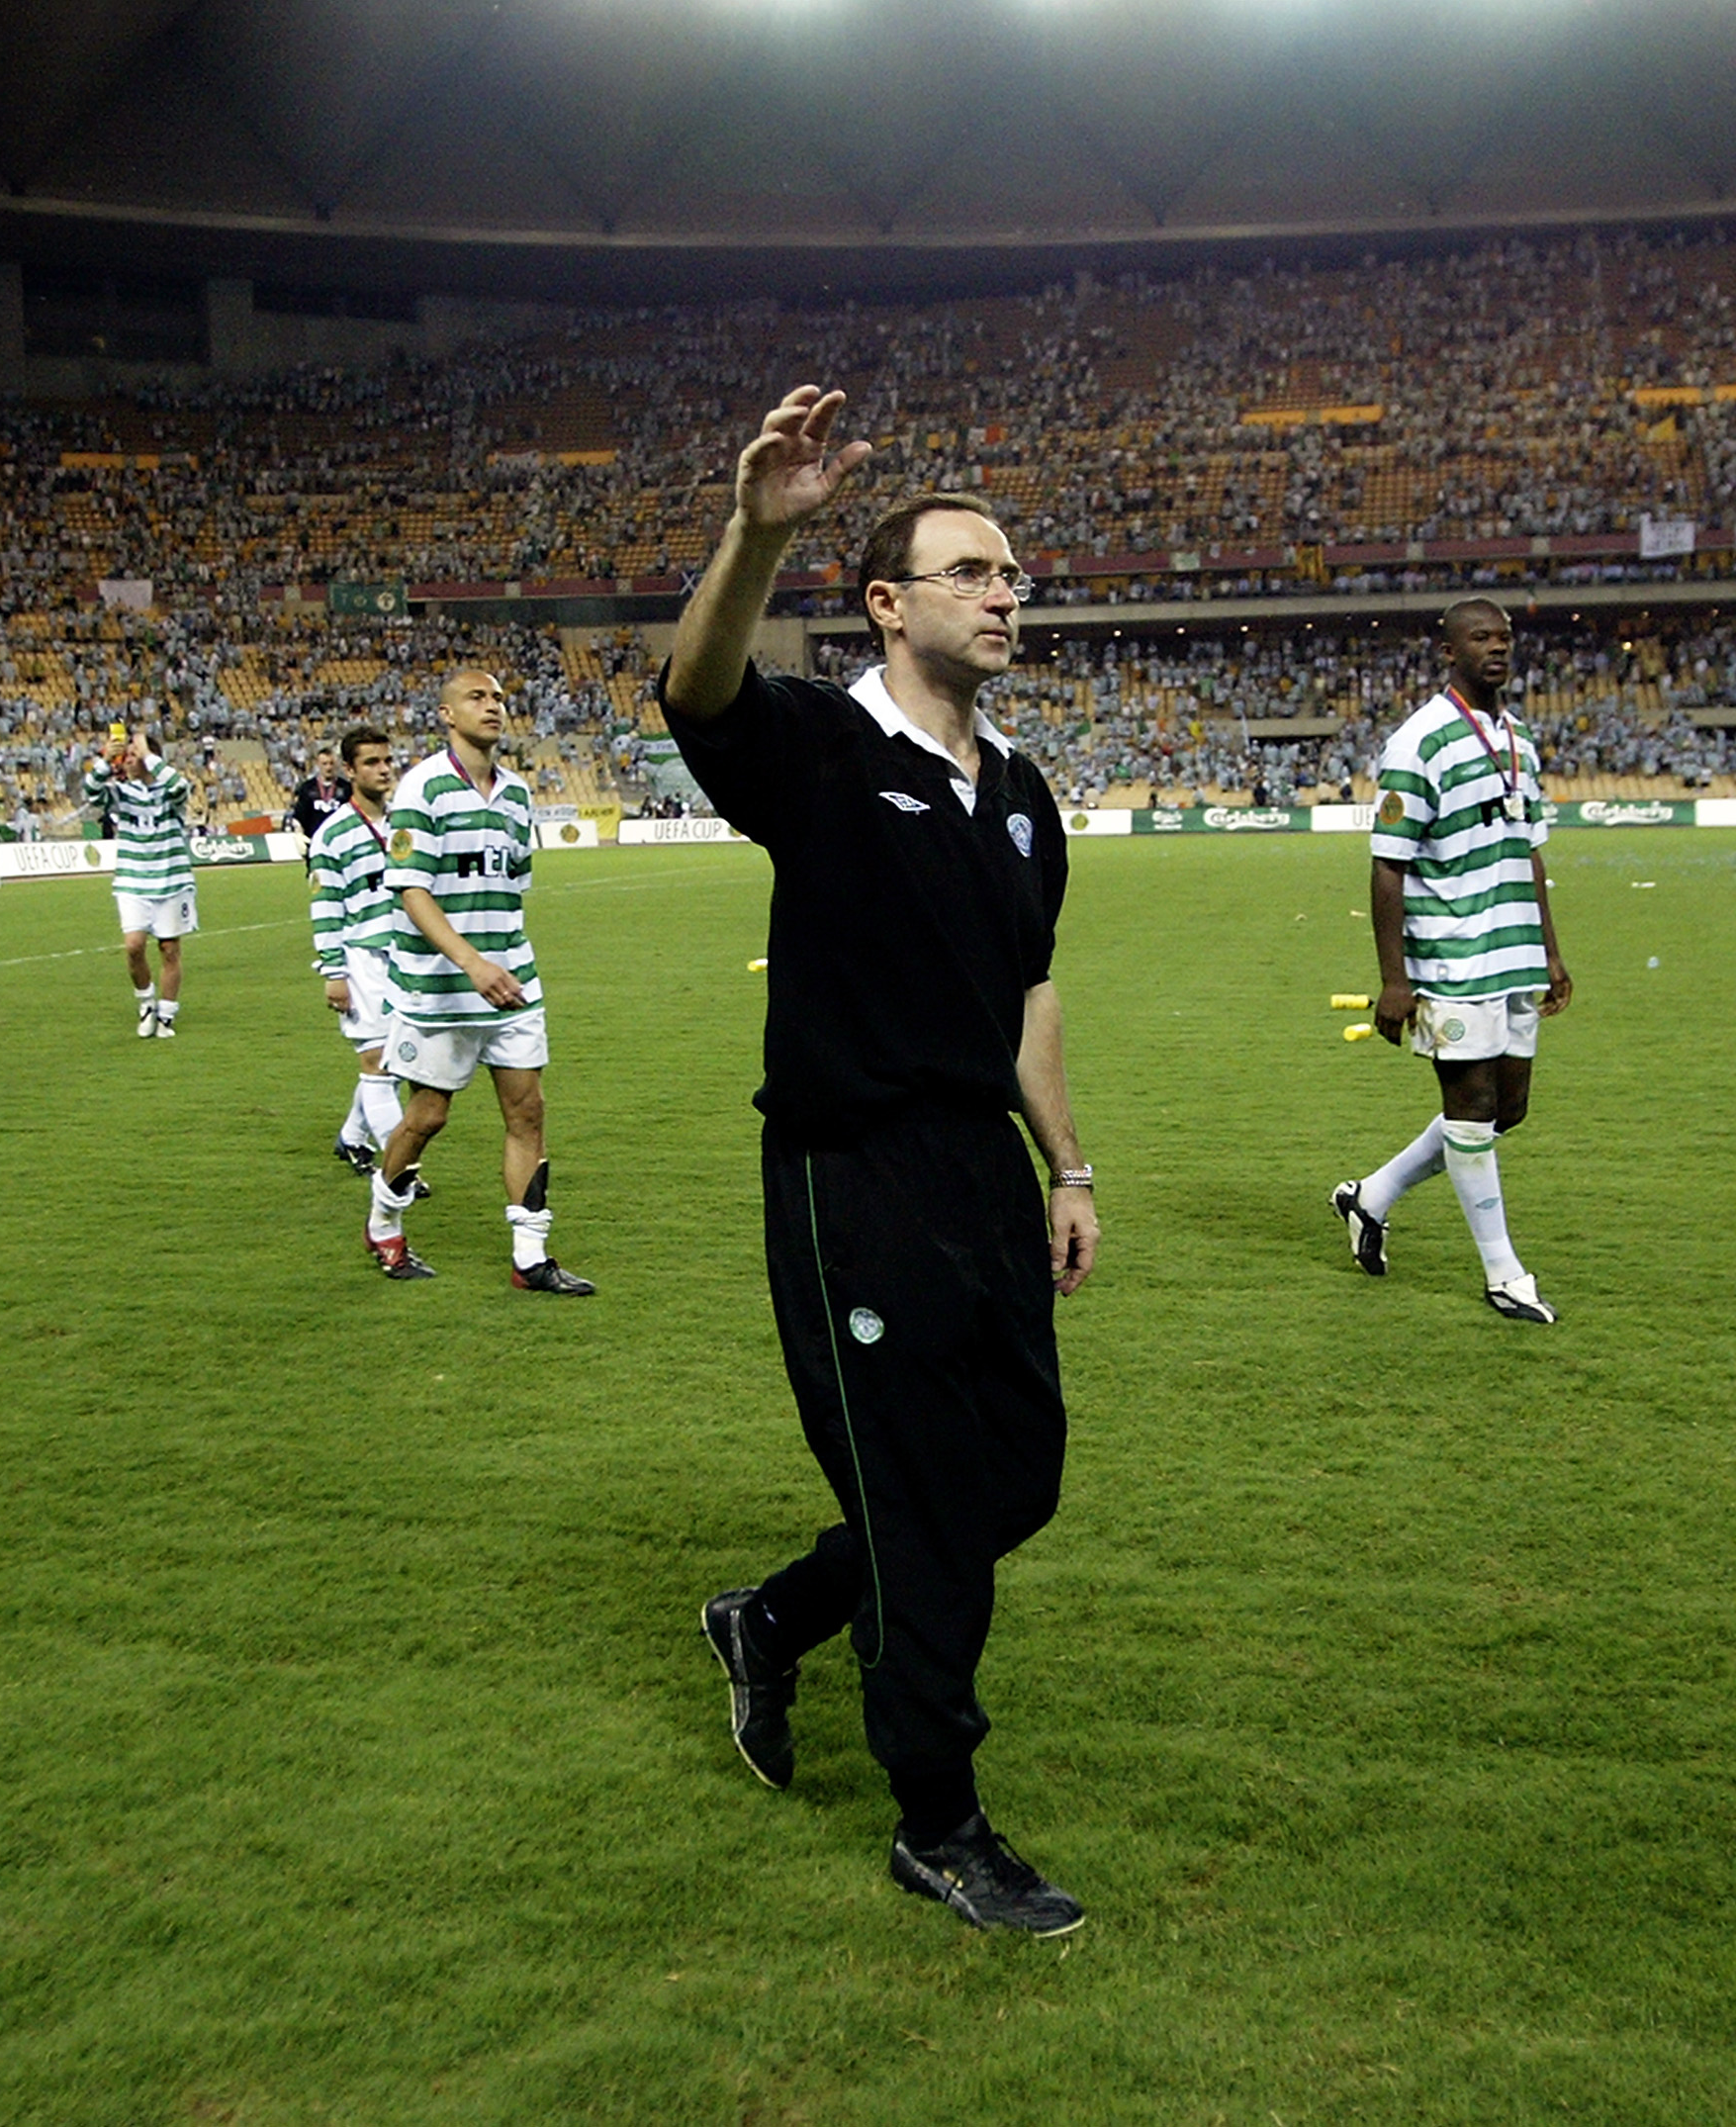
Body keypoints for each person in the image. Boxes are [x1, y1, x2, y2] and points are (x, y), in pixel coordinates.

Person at [664, 388, 1095, 1938]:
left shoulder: (1027, 797)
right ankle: (937, 1817)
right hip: (852, 1175)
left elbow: (1027, 996)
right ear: (885, 601)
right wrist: (752, 529)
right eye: (971, 572)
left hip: (980, 1171)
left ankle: (770, 1617)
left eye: (1012, 576)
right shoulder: (824, 751)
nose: (1003, 594)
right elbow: (698, 694)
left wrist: (1066, 1164)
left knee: (1014, 1475)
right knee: (918, 1504)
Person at [1332, 599, 1573, 1322]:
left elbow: (1529, 848)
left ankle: (1370, 1196)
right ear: (1450, 652)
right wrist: (1395, 979)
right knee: (1470, 1110)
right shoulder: (1420, 741)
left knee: (1508, 1110)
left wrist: (1550, 951)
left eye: (1504, 637)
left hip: (1513, 954)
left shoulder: (1520, 739)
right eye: (1480, 638)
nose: (1495, 649)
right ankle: (1504, 1275)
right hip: (1449, 955)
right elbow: (1386, 867)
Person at [365, 669, 594, 1294]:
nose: (493, 706)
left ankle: (530, 1256)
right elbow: (413, 892)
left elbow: (515, 885)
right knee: (428, 1116)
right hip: (439, 987)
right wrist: (472, 962)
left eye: (498, 697)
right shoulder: (424, 788)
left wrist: (499, 962)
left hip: (511, 980)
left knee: (528, 1113)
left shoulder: (518, 795)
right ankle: (384, 1222)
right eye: (477, 697)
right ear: (446, 714)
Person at [307, 723, 407, 1177]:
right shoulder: (332, 835)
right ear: (349, 770)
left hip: (410, 956)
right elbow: (326, 907)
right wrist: (333, 971)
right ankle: (401, 1166)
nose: (384, 770)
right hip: (363, 959)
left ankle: (351, 1137)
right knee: (377, 1064)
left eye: (387, 760)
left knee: (397, 1061)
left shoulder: (408, 821)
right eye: (371, 762)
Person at [81, 731, 196, 1038]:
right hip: (133, 881)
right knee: (134, 946)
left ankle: (167, 1014)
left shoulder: (170, 793)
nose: (127, 760)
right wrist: (105, 760)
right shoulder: (123, 793)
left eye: (133, 755)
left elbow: (180, 785)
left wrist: (150, 756)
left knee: (169, 949)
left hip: (171, 880)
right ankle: (146, 1002)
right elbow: (91, 791)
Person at [291, 751, 350, 843]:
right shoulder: (307, 787)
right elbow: (299, 816)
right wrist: (299, 836)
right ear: (318, 764)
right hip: (314, 840)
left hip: (340, 840)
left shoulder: (346, 788)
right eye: (324, 764)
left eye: (331, 763)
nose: (328, 767)